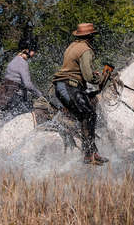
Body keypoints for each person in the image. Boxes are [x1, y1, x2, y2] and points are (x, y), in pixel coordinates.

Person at [52, 23, 109, 166]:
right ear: (89, 37)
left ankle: (91, 152)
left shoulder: (72, 46)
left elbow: (77, 70)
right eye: (93, 36)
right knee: (90, 114)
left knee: (86, 115)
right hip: (70, 87)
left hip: (62, 86)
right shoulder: (86, 50)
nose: (94, 39)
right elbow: (89, 77)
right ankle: (89, 154)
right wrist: (102, 78)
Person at [0, 43, 43, 131]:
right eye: (34, 51)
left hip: (6, 93)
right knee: (29, 113)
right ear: (28, 51)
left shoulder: (14, 60)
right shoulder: (23, 63)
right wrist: (40, 94)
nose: (34, 54)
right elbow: (28, 84)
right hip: (15, 96)